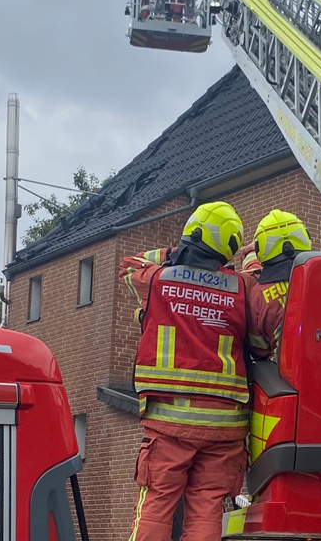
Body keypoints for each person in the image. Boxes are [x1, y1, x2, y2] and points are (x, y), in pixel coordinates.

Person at [120, 202, 252, 541]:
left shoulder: (158, 279)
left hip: (169, 420)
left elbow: (128, 264)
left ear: (192, 235)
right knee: (206, 509)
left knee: (158, 503)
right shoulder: (240, 287)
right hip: (225, 425)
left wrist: (172, 252)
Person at [241, 210, 313, 360]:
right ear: (306, 237)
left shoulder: (259, 295)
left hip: (282, 374)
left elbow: (258, 348)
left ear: (261, 249)